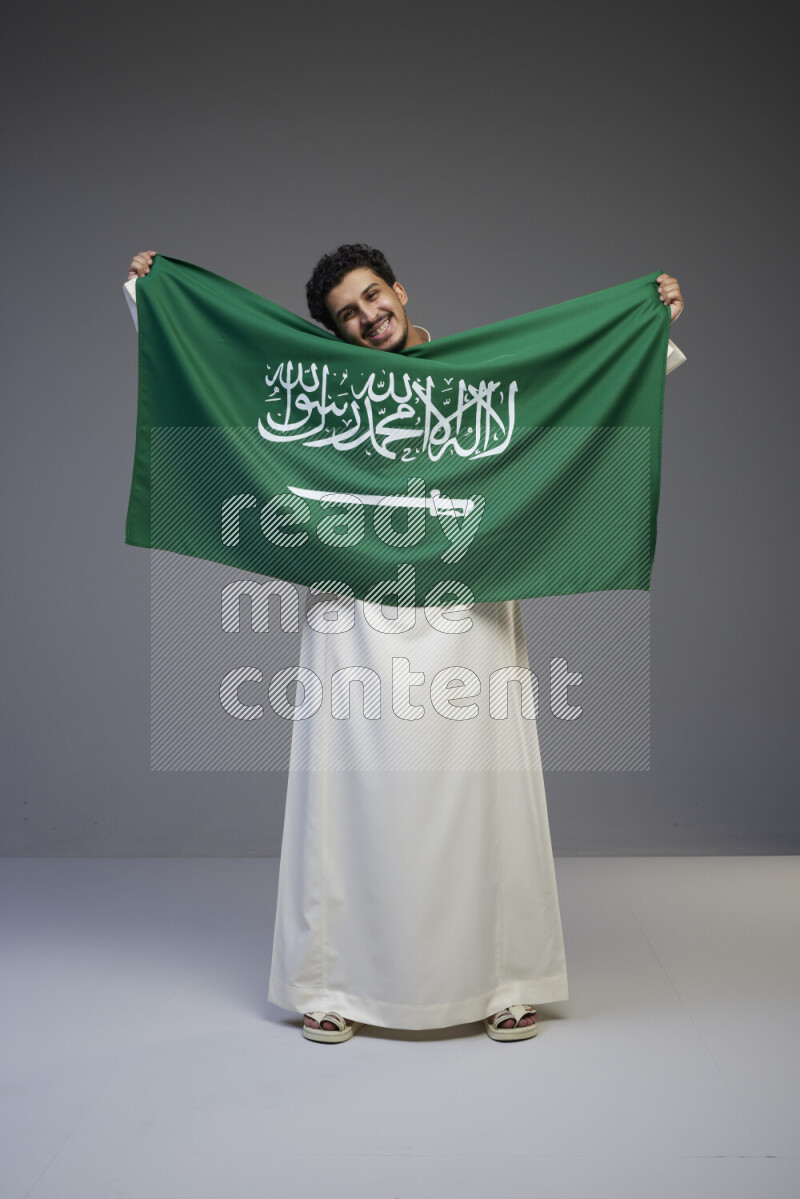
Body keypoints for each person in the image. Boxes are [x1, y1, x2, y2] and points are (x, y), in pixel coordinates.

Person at [125, 247, 686, 1044]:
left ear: (399, 289)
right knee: (346, 796)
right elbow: (222, 374)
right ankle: (330, 983)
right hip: (354, 616)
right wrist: (156, 297)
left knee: (487, 794)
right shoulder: (324, 396)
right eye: (348, 314)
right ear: (335, 333)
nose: (368, 316)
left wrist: (645, 328)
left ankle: (506, 979)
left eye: (373, 295)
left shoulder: (480, 386)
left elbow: (579, 388)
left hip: (469, 608)